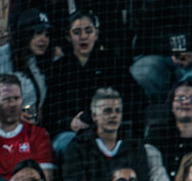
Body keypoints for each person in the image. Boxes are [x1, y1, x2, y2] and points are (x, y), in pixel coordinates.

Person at [60, 88, 154, 181]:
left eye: (117, 111)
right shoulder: (77, 146)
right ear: (94, 116)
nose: (113, 116)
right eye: (107, 111)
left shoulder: (134, 145)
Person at [45, 12, 132, 145]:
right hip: (71, 133)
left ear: (96, 34)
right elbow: (50, 111)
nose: (83, 37)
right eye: (77, 32)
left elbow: (131, 97)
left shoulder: (113, 63)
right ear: (68, 37)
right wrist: (70, 123)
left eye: (88, 31)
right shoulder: (59, 69)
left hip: (107, 129)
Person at [126, 0, 192, 104]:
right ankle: (155, 111)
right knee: (144, 74)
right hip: (156, 56)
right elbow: (142, 33)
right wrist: (170, 56)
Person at [0, 9, 53, 115]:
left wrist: (27, 119)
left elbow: (33, 108)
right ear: (25, 33)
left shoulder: (37, 63)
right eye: (38, 33)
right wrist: (11, 116)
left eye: (47, 34)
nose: (44, 39)